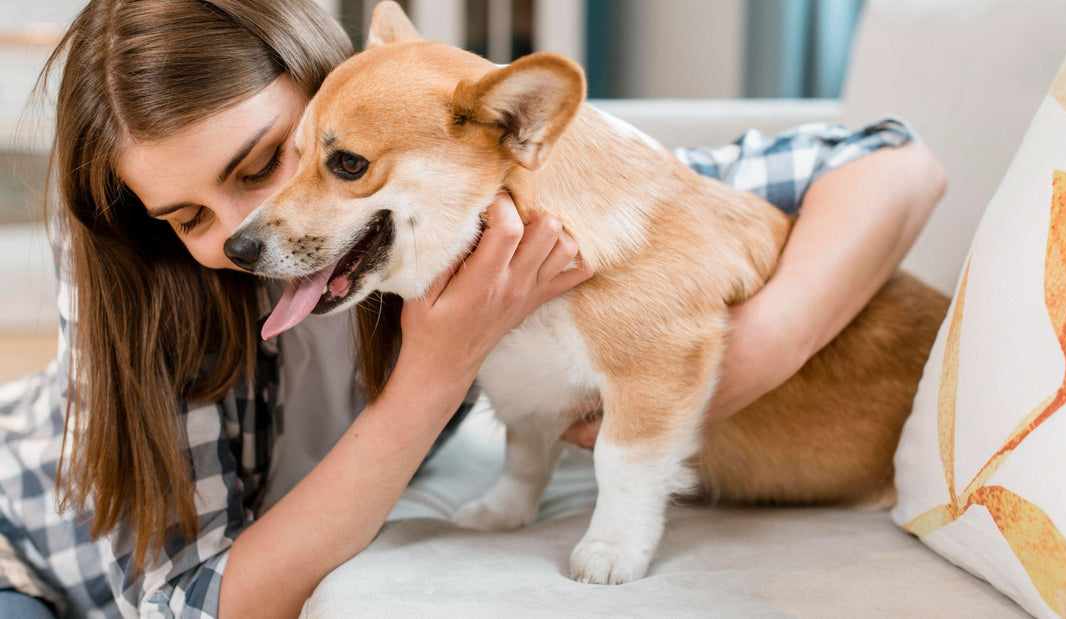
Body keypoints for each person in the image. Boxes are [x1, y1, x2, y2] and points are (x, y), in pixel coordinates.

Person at [0, 0, 946, 617]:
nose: (248, 232)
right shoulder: (150, 287)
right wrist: (438, 362)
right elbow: (188, 601)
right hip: (29, 559)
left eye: (266, 164)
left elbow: (896, 162)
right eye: (185, 214)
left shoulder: (480, 193)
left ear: (333, 86)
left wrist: (750, 358)